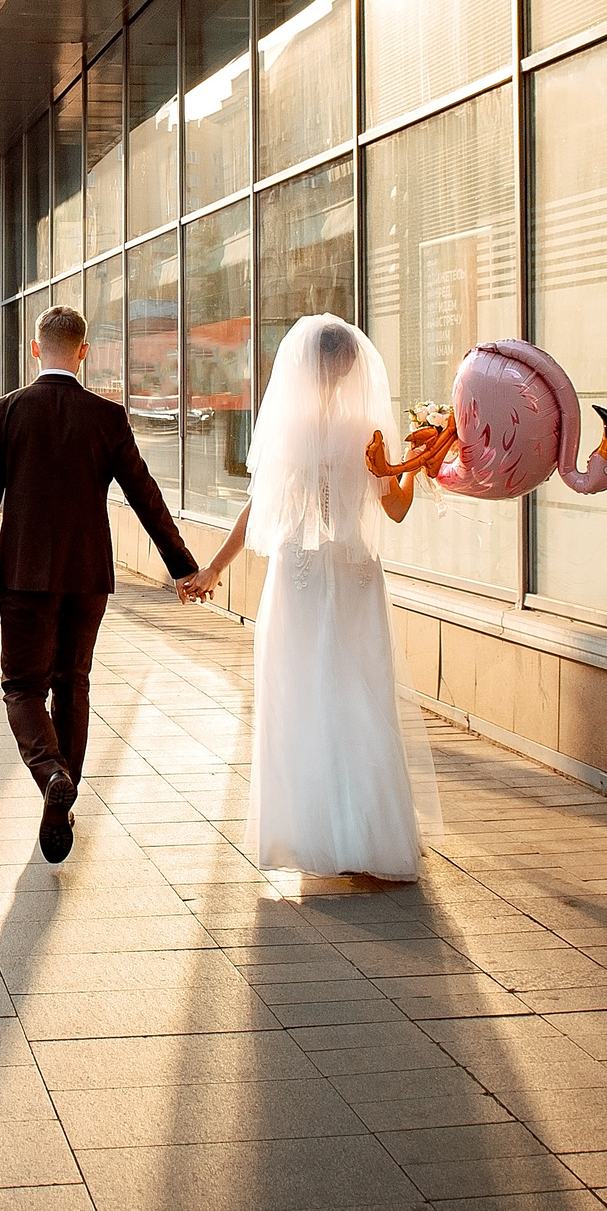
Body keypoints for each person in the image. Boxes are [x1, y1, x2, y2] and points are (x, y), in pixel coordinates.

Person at [179, 315, 440, 881]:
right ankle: (372, 838)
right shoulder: (369, 427)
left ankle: (310, 836)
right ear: (351, 366)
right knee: (361, 696)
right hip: (354, 578)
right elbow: (394, 509)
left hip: (299, 578)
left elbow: (257, 510)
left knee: (300, 697)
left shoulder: (288, 427)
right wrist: (417, 466)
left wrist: (212, 569)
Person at [0, 305, 202, 862]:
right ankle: (60, 796)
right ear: (83, 352)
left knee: (22, 688)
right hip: (88, 576)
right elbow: (146, 495)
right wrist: (183, 567)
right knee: (73, 684)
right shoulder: (107, 418)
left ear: (37, 349)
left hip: (23, 575)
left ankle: (50, 772)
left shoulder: (6, 412)